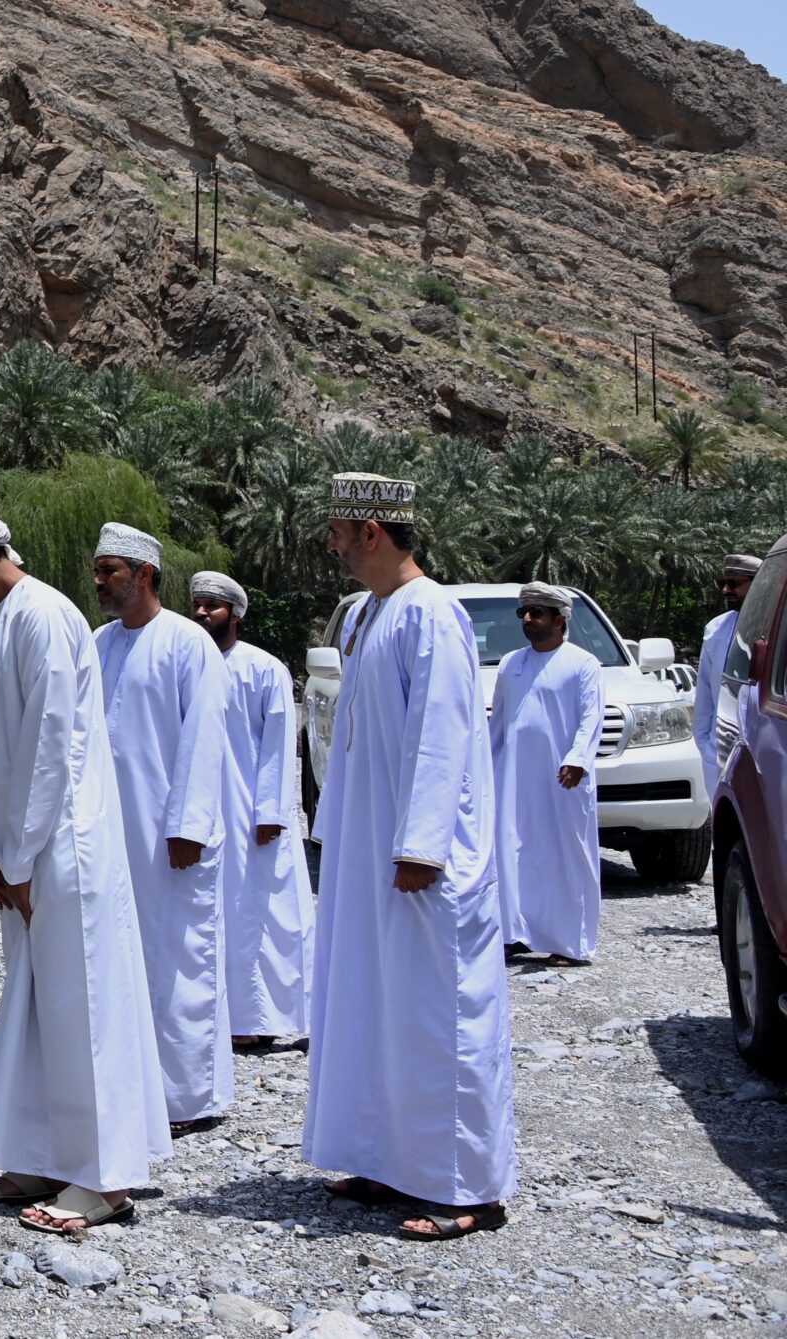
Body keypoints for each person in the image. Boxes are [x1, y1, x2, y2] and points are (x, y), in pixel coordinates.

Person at [0, 506, 167, 1235]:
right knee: (34, 1007)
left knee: (81, 1007)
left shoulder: (45, 615)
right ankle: (39, 1155)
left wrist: (21, 855)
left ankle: (102, 1179)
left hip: (63, 846)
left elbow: (52, 744)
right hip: (22, 853)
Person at [304, 472, 515, 1241]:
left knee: (437, 1012)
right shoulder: (367, 613)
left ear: (372, 531)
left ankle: (465, 1186)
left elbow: (442, 734)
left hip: (421, 858)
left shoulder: (432, 613)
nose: (332, 547)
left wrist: (422, 844)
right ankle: (385, 1158)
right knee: (374, 1002)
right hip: (371, 852)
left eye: (338, 533)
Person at [91, 523, 233, 1129]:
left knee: (178, 955)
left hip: (169, 835)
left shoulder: (187, 641)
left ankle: (186, 1097)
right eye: (97, 571)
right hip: (108, 829)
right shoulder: (97, 642)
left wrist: (189, 826)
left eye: (110, 572)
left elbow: (204, 736)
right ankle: (127, 1090)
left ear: (145, 574)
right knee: (115, 957)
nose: (99, 582)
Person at [187, 570, 311, 1048]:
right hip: (200, 812)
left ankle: (261, 1019)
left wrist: (270, 813)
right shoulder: (187, 661)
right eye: (197, 604)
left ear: (234, 615)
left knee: (258, 912)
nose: (201, 613)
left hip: (250, 814)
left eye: (212, 606)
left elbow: (278, 745)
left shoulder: (263, 668)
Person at [491, 582, 606, 965]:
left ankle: (570, 943)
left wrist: (577, 759)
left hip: (563, 778)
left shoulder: (583, 664)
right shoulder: (511, 663)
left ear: (559, 620)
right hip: (514, 779)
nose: (527, 618)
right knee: (513, 851)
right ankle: (515, 934)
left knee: (565, 856)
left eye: (537, 612)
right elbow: (499, 723)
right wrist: (485, 768)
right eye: (523, 612)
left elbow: (591, 718)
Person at [697, 554, 761, 787]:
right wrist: (704, 744)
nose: (726, 590)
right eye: (724, 583)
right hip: (720, 751)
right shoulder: (716, 629)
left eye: (734, 584)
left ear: (758, 584)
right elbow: (705, 692)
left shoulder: (777, 627)